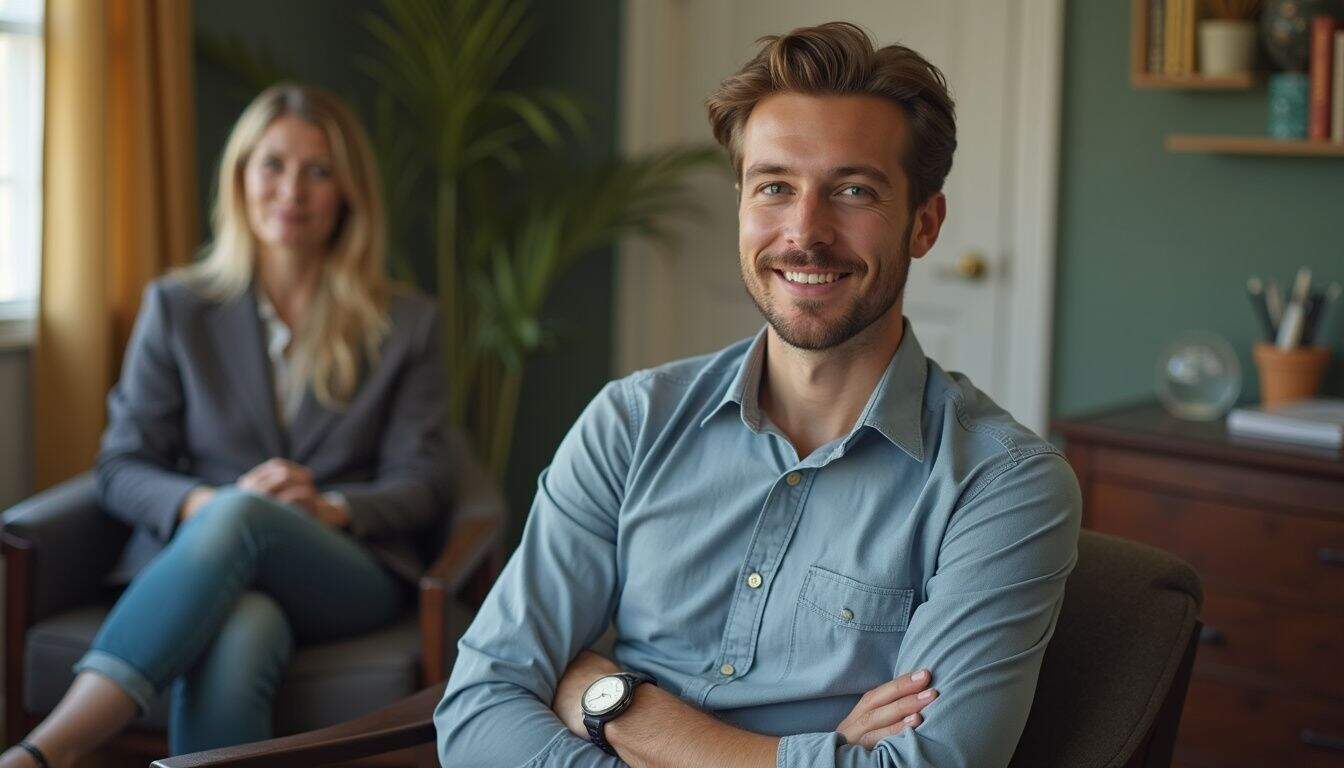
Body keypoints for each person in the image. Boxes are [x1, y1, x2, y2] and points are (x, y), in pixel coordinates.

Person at [435, 21, 1081, 768]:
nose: (805, 233)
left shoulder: (1001, 484)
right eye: (775, 186)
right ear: (742, 205)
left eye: (853, 190)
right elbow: (478, 707)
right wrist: (815, 753)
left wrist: (614, 705)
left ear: (924, 224)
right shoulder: (631, 422)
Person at [1, 83, 449, 768]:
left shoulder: (407, 323)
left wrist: (327, 509)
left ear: (348, 192)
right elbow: (121, 466)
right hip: (206, 571)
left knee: (245, 515)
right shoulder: (179, 307)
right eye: (272, 165)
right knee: (242, 628)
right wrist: (208, 506)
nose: (291, 190)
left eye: (318, 171)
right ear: (239, 179)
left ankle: (48, 750)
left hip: (345, 574)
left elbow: (424, 481)